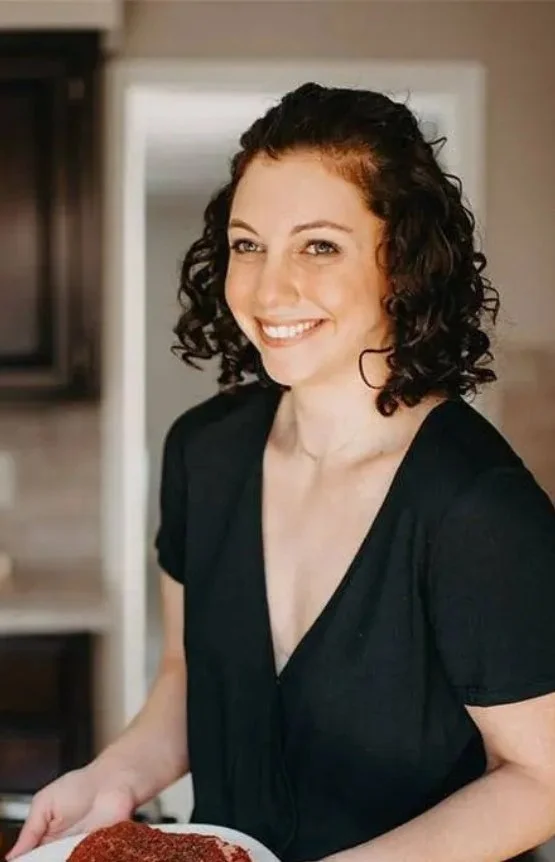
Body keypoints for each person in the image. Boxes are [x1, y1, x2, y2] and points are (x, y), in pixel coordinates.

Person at [8, 82, 555, 862]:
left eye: (319, 245)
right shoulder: (203, 452)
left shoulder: (476, 509)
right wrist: (113, 778)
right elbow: (187, 674)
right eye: (247, 243)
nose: (268, 288)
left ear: (400, 262)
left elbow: (539, 778)